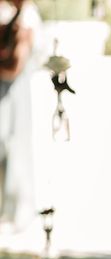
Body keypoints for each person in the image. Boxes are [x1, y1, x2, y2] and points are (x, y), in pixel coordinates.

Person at [0, 0, 42, 231]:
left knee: (15, 147)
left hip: (14, 92)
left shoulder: (27, 17)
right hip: (7, 93)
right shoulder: (10, 13)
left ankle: (16, 214)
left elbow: (14, 65)